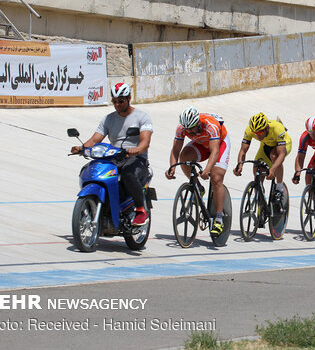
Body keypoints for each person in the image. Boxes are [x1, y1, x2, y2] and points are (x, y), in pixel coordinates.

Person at [71, 83, 153, 226]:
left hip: (136, 159)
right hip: (114, 156)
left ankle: (140, 210)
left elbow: (145, 142)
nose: (117, 104)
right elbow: (96, 139)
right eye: (114, 101)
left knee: (128, 173)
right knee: (90, 169)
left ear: (129, 98)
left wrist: (137, 149)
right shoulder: (108, 119)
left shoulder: (142, 117)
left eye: (121, 100)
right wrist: (81, 147)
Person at [165, 107, 230, 236]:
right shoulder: (181, 128)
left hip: (219, 144)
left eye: (192, 129)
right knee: (184, 157)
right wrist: (172, 166)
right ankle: (198, 187)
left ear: (198, 123)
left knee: (216, 178)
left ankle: (218, 218)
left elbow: (215, 152)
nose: (189, 132)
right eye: (187, 129)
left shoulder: (211, 125)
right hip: (201, 144)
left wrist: (207, 170)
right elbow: (176, 150)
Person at [234, 113, 292, 214]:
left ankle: (279, 188)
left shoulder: (277, 128)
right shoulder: (249, 130)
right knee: (257, 167)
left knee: (275, 155)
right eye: (255, 132)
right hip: (266, 145)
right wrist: (240, 164)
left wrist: (273, 169)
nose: (257, 135)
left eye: (260, 132)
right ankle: (261, 201)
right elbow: (243, 150)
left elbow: (281, 154)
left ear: (267, 127)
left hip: (284, 144)